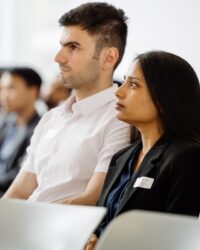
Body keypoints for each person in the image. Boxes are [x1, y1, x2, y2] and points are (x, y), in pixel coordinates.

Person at [2, 2, 130, 204]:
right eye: (61, 46)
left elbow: (93, 198)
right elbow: (18, 191)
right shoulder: (51, 118)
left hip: (60, 230)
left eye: (73, 47)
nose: (58, 58)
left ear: (108, 57)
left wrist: (32, 220)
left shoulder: (120, 118)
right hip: (26, 224)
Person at [86, 50, 200, 249]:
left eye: (133, 85)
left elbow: (175, 239)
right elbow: (101, 219)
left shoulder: (187, 157)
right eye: (123, 82)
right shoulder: (121, 158)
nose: (118, 92)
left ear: (164, 98)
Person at [0, 67, 42, 195]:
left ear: (33, 91)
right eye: (2, 89)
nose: (4, 94)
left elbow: (22, 174)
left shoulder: (41, 129)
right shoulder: (5, 122)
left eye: (11, 88)